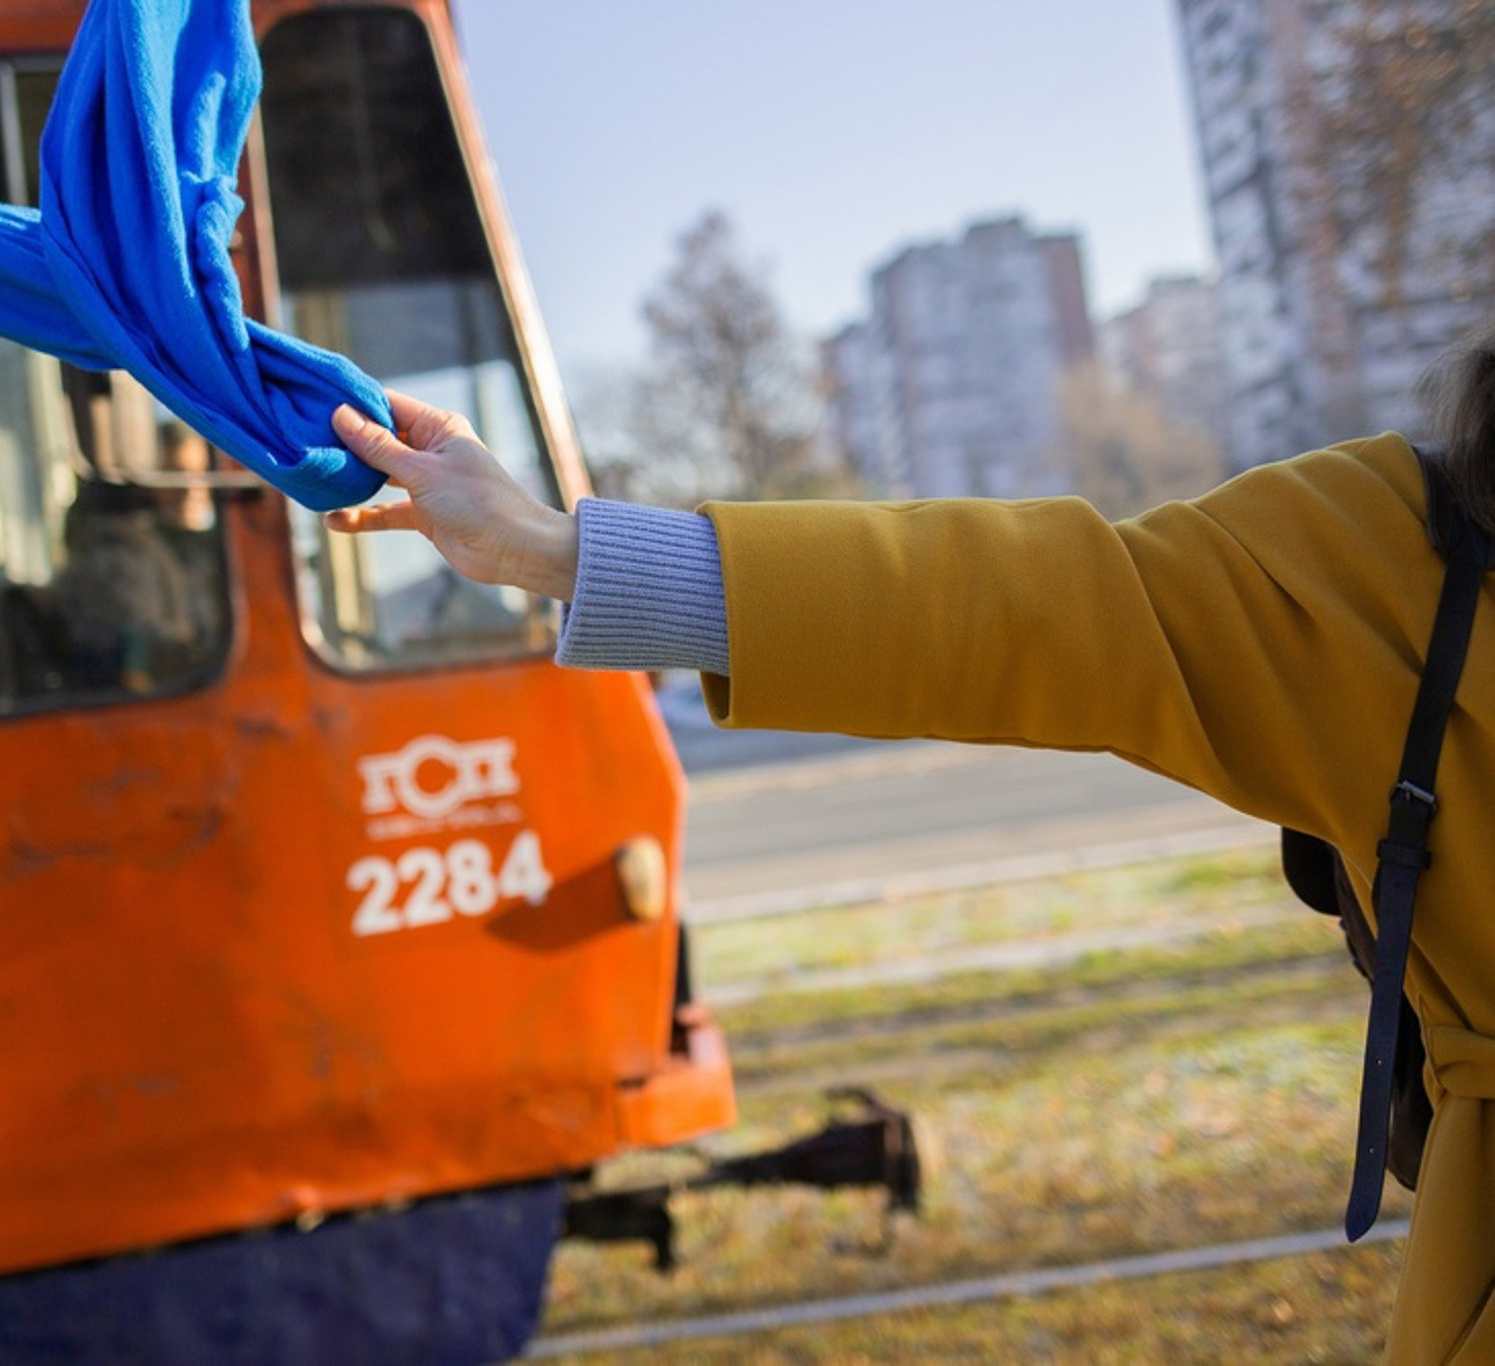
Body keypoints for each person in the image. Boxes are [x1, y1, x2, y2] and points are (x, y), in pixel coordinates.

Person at [324, 339, 1495, 1365]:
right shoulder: (1409, 562)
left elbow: (1028, 604)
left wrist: (549, 551)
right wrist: (554, 551)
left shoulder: (1409, 561)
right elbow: (1006, 601)